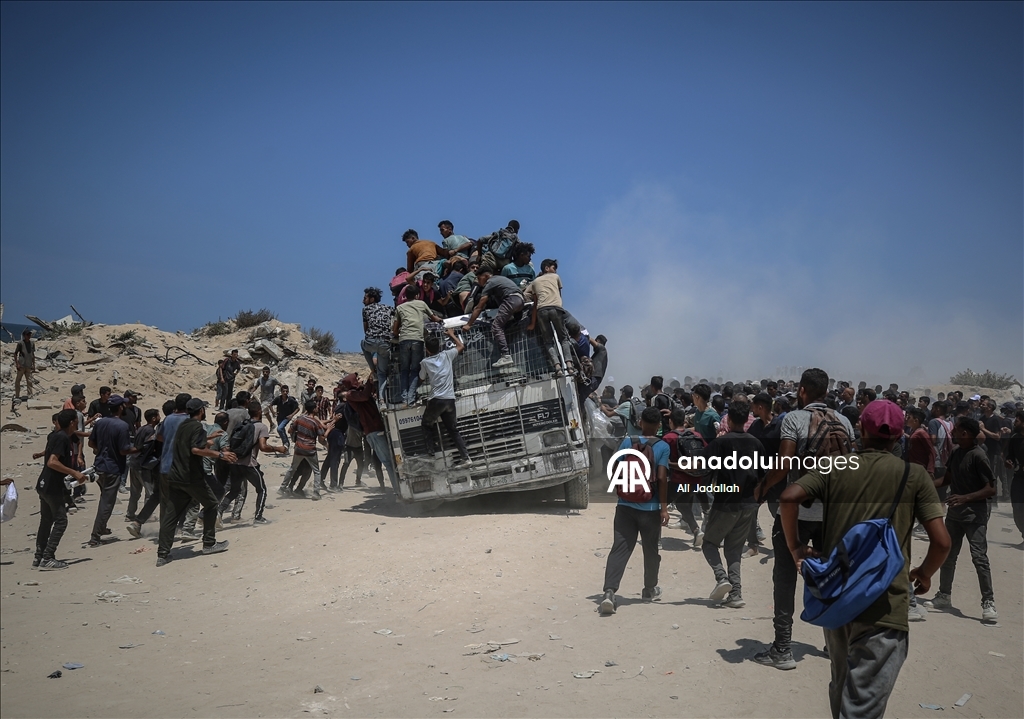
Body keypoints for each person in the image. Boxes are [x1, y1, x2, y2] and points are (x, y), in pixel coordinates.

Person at [780, 399, 950, 719]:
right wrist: (924, 573)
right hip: (886, 604)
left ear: (860, 429)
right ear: (900, 434)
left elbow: (789, 497)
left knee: (841, 685)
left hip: (839, 599)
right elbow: (941, 542)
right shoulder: (912, 476)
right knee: (862, 704)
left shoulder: (836, 465)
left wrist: (796, 548)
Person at [753, 368, 854, 671]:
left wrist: (764, 486)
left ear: (801, 391)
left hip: (797, 511)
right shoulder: (845, 421)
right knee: (833, 577)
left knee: (785, 577)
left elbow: (784, 465)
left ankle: (783, 648)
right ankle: (834, 643)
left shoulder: (794, 419)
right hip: (833, 513)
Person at [923, 417, 999, 621]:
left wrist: (965, 498)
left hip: (975, 516)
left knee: (979, 558)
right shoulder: (957, 453)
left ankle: (988, 602)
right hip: (955, 515)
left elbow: (991, 488)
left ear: (965, 433)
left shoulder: (978, 456)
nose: (952, 433)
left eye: (956, 430)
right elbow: (947, 479)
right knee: (949, 556)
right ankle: (944, 595)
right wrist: (923, 487)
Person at [599, 407, 669, 615]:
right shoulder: (662, 446)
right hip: (650, 508)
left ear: (640, 422)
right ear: (658, 426)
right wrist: (664, 508)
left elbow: (614, 466)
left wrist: (620, 489)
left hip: (625, 506)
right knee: (650, 550)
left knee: (619, 549)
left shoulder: (628, 441)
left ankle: (609, 593)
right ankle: (649, 589)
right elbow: (663, 478)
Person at [698, 400, 763, 608]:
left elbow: (700, 464)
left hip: (726, 503)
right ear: (746, 420)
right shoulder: (756, 443)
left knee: (709, 544)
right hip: (748, 506)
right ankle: (736, 594)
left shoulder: (721, 443)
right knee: (734, 551)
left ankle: (721, 578)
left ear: (730, 419)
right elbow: (763, 475)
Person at [157, 399, 235, 566]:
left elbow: (190, 442)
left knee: (171, 515)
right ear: (200, 411)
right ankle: (209, 543)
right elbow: (194, 449)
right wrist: (220, 455)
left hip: (174, 475)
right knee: (212, 504)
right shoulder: (197, 426)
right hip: (190, 477)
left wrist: (208, 438)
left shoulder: (183, 425)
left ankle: (162, 555)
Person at [33, 409, 87, 569]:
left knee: (46, 520)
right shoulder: (62, 438)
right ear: (71, 422)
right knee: (61, 521)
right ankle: (48, 557)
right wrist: (74, 472)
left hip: (45, 484)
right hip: (51, 487)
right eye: (76, 421)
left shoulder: (60, 436)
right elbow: (52, 462)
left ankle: (39, 557)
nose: (78, 423)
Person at [87, 395, 137, 548]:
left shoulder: (100, 423)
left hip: (99, 466)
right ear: (121, 407)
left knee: (105, 499)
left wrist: (102, 450)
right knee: (107, 503)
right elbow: (123, 451)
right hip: (113, 468)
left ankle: (101, 528)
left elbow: (91, 443)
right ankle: (95, 536)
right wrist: (140, 449)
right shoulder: (122, 426)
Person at [222, 401, 285, 524]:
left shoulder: (242, 424)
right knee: (262, 490)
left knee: (234, 490)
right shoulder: (261, 427)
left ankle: (218, 512)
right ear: (259, 411)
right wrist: (278, 448)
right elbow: (263, 447)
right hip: (249, 464)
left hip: (235, 462)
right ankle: (258, 517)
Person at [419, 329, 473, 467]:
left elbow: (421, 378)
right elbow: (461, 346)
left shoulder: (425, 362)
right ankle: (466, 458)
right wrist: (451, 335)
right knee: (453, 430)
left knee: (426, 424)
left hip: (436, 399)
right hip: (450, 399)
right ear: (439, 347)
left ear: (427, 349)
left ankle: (430, 454)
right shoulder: (447, 355)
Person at [341, 374, 400, 494]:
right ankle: (399, 491)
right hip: (373, 430)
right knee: (388, 462)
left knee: (390, 461)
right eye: (357, 379)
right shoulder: (351, 395)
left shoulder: (357, 392)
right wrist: (368, 382)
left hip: (374, 430)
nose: (359, 380)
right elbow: (364, 396)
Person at [464, 268, 525, 368]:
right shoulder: (501, 279)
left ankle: (505, 355)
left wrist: (468, 324)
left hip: (510, 300)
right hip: (520, 301)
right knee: (505, 326)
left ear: (486, 276)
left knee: (496, 326)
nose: (479, 282)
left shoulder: (490, 282)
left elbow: (480, 306)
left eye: (479, 279)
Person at [392, 285, 441, 406]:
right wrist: (440, 320)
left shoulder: (400, 307)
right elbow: (433, 318)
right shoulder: (422, 304)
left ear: (405, 296)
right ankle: (411, 398)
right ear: (417, 295)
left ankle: (404, 399)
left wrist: (397, 333)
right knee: (414, 370)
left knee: (404, 370)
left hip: (403, 340)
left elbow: (395, 329)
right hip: (417, 339)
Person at [525, 259, 573, 374]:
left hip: (542, 311)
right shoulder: (556, 277)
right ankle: (569, 366)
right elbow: (559, 297)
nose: (555, 270)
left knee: (548, 341)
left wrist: (532, 322)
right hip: (556, 309)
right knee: (563, 338)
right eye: (553, 267)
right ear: (547, 268)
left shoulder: (535, 282)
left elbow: (533, 300)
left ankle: (557, 367)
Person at [278, 400, 327, 500]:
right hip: (310, 450)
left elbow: (290, 430)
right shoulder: (315, 422)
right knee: (316, 471)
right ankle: (316, 493)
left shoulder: (299, 419)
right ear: (313, 409)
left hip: (299, 448)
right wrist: (329, 429)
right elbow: (322, 437)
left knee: (292, 469)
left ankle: (282, 488)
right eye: (316, 407)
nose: (318, 408)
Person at [126, 408, 160, 523]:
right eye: (158, 415)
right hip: (143, 465)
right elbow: (147, 446)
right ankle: (147, 515)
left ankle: (130, 514)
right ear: (154, 418)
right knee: (150, 492)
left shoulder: (141, 428)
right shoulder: (150, 430)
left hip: (134, 463)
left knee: (135, 492)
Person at [361, 287, 394, 390]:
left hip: (371, 341)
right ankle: (383, 400)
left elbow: (365, 330)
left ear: (372, 299)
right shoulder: (388, 308)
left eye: (365, 298)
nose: (363, 301)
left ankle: (372, 369)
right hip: (385, 343)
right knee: (382, 373)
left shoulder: (365, 309)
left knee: (362, 344)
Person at [1006, 410, 1024, 544]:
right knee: (1017, 508)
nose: (1014, 423)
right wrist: (1009, 461)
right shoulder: (1015, 438)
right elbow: (1010, 455)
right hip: (1019, 478)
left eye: (1017, 421)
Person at [905, 407, 935, 479]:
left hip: (921, 468)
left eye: (909, 417)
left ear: (915, 420)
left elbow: (931, 451)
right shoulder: (914, 431)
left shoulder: (922, 433)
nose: (906, 419)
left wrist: (930, 470)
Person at [14, 328, 35, 400]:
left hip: (29, 365)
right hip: (21, 365)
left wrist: (33, 364)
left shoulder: (32, 343)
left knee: (29, 381)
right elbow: (15, 353)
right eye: (28, 334)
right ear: (24, 335)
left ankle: (30, 395)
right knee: (18, 381)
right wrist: (17, 364)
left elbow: (32, 354)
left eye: (30, 334)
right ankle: (17, 396)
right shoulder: (20, 343)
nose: (29, 336)